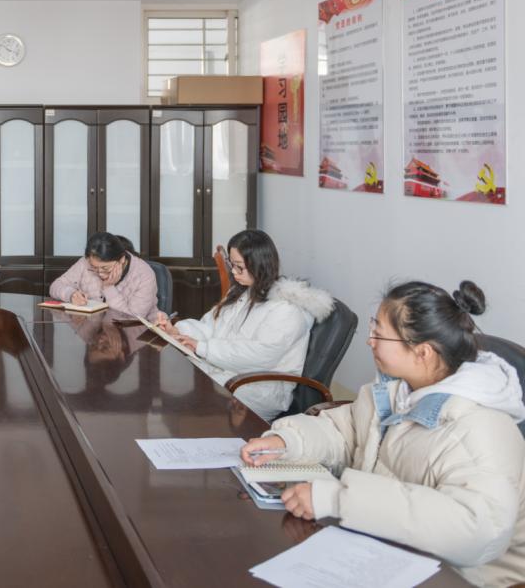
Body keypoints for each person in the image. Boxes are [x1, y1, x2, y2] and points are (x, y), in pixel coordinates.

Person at [241, 280, 525, 587]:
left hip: (458, 578)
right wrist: (287, 442)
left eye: (379, 333)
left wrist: (339, 499)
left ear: (423, 353)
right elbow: (344, 432)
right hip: (387, 553)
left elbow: (477, 530)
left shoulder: (481, 427)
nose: (370, 341)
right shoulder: (397, 391)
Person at [154, 230, 332, 421]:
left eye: (239, 267)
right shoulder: (242, 293)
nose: (233, 272)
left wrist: (202, 347)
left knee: (185, 405)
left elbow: (260, 356)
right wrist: (177, 330)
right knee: (168, 384)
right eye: (232, 265)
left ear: (260, 265)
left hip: (258, 387)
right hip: (228, 373)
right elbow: (211, 327)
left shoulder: (286, 310)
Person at [49, 232, 159, 320]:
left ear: (122, 259)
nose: (100, 273)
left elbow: (134, 318)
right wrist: (71, 294)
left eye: (105, 268)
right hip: (92, 332)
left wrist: (108, 288)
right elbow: (55, 286)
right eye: (94, 267)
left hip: (132, 335)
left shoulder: (144, 274)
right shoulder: (85, 262)